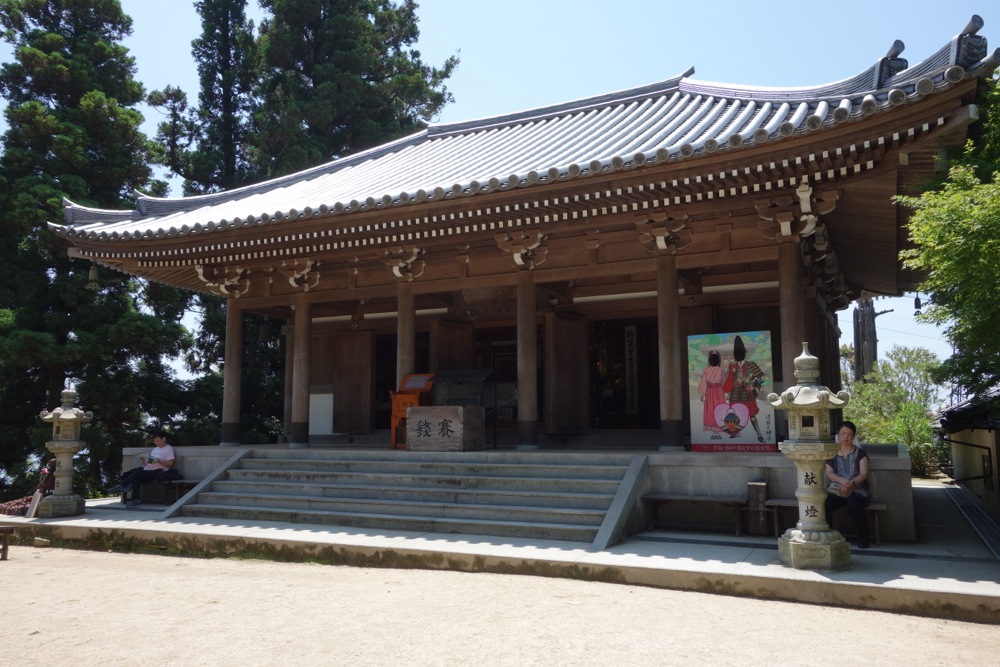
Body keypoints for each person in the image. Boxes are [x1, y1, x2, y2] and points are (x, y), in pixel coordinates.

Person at [824, 420, 872, 548]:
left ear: (854, 436)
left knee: (853, 506)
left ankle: (864, 537)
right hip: (837, 489)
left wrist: (850, 483)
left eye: (850, 434)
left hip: (857, 491)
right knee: (824, 505)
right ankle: (830, 536)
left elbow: (863, 474)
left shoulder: (860, 453)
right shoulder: (832, 454)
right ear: (838, 435)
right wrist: (842, 481)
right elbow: (829, 473)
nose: (846, 437)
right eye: (843, 433)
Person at [107, 430, 177, 508]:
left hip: (158, 472)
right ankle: (135, 500)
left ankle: (123, 486)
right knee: (135, 475)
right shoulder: (155, 449)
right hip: (148, 470)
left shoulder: (169, 449)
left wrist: (158, 461)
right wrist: (145, 460)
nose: (156, 443)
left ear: (163, 439)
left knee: (138, 473)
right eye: (155, 441)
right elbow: (150, 462)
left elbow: (170, 464)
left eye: (158, 440)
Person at [722, 335, 766, 442]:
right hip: (735, 393)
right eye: (736, 353)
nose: (738, 355)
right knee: (735, 414)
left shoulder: (750, 364)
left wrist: (754, 385)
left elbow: (760, 378)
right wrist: (726, 391)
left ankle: (759, 434)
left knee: (752, 416)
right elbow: (730, 379)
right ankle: (736, 432)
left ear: (745, 353)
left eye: (740, 352)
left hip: (748, 392)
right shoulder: (732, 365)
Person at [698, 350, 726, 439]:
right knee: (711, 411)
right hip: (710, 392)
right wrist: (703, 395)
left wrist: (726, 393)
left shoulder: (721, 370)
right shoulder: (706, 370)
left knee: (719, 410)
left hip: (718, 392)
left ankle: (717, 432)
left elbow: (723, 382)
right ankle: (714, 433)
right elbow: (704, 382)